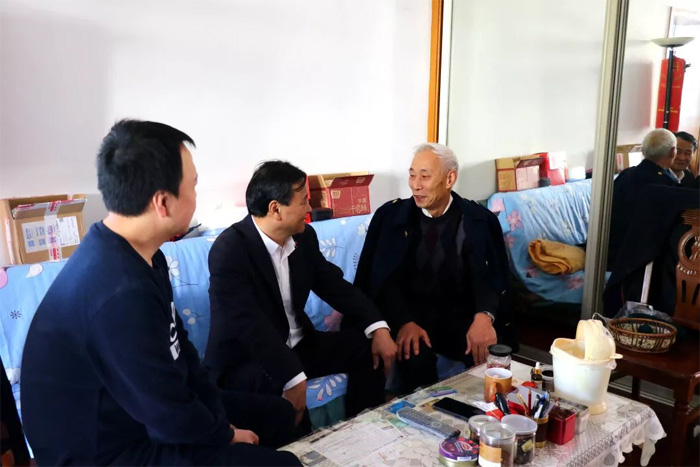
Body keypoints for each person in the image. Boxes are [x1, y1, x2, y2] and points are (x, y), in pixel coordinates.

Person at [20, 120, 299, 466]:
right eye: (193, 185)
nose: (196, 195)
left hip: (137, 414)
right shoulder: (120, 292)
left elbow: (183, 354)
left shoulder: (143, 256)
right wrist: (224, 435)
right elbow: (167, 413)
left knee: (277, 414)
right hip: (106, 451)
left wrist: (218, 421)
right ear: (163, 202)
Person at [204, 160, 397, 427]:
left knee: (363, 348)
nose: (309, 208)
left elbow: (334, 286)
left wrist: (377, 326)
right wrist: (293, 376)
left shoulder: (304, 238)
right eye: (304, 201)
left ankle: (364, 431)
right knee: (285, 401)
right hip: (249, 358)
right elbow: (249, 326)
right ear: (276, 209)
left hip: (299, 346)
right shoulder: (230, 250)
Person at [353, 143, 514, 394]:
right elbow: (381, 280)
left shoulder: (479, 220)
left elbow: (492, 277)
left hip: (458, 316)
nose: (415, 185)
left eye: (425, 176)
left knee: (493, 355)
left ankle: (484, 413)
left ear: (450, 179)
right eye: (412, 175)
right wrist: (403, 321)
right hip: (408, 317)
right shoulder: (391, 218)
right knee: (415, 358)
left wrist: (485, 316)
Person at [608, 128, 679, 269]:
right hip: (641, 261)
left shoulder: (626, 174)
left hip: (609, 253)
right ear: (672, 152)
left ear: (643, 151)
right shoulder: (667, 185)